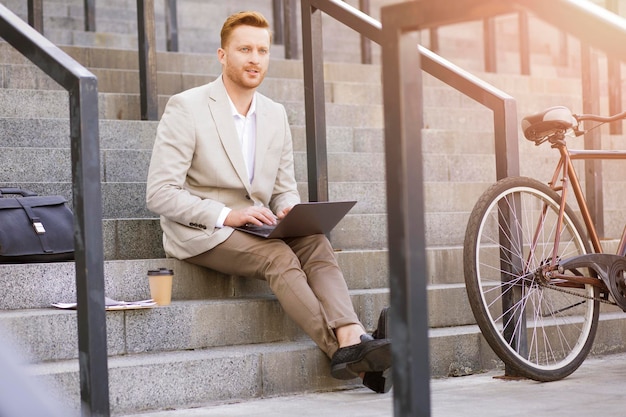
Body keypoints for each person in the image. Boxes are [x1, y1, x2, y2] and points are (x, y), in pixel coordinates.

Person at [146, 10, 392, 393]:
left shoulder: (275, 114)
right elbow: (160, 193)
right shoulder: (187, 107)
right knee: (279, 256)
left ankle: (352, 334)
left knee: (314, 241)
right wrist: (228, 215)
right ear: (222, 55)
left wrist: (290, 209)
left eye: (262, 50)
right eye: (244, 48)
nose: (254, 58)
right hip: (204, 231)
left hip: (259, 224)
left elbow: (283, 188)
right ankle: (347, 350)